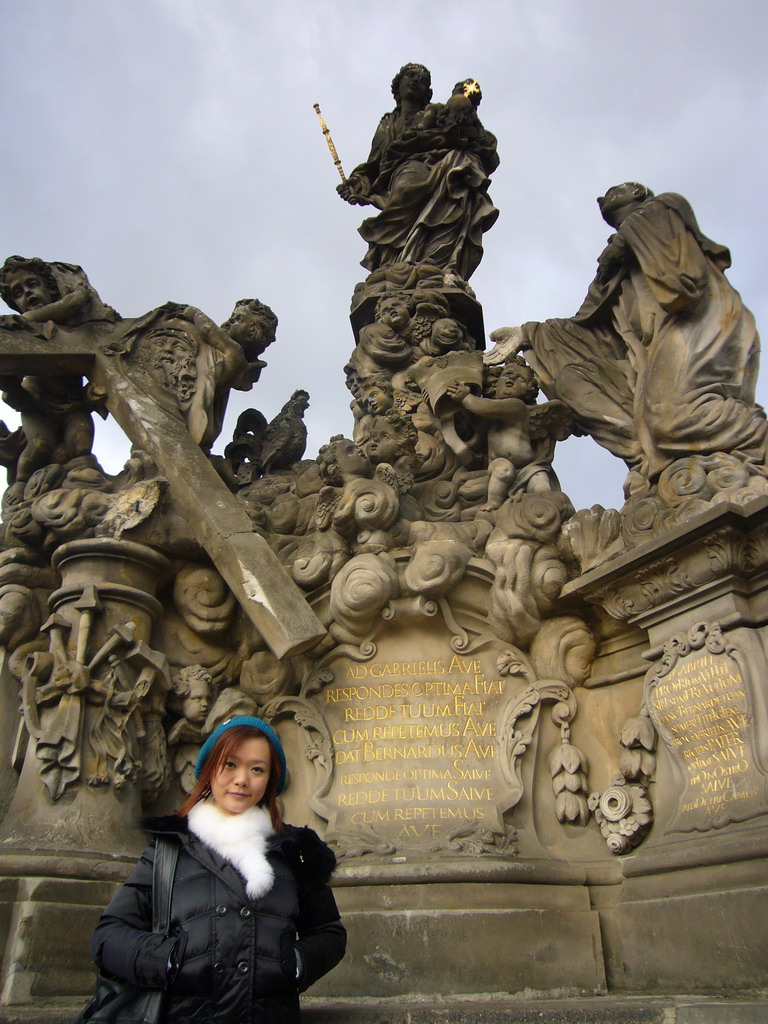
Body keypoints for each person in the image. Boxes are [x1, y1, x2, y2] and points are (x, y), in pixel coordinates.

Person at [91, 716, 346, 1023]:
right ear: (210, 769)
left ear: (270, 780)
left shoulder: (297, 851)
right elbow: (109, 936)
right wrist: (171, 962)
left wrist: (294, 964)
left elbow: (329, 934)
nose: (242, 779)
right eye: (230, 764)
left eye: (257, 769)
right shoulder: (170, 848)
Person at [338, 64, 499, 281]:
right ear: (398, 86)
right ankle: (398, 265)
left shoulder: (436, 113)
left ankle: (432, 266)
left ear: (428, 92)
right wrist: (356, 184)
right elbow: (375, 164)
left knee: (455, 178)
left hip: (435, 167)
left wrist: (464, 110)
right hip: (401, 172)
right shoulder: (388, 124)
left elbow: (469, 134)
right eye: (410, 77)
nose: (415, 81)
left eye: (422, 80)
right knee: (404, 189)